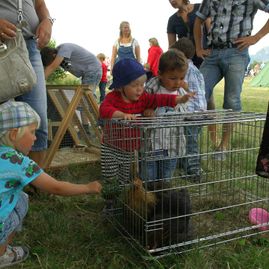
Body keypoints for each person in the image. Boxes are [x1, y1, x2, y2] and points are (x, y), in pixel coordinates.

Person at [0, 101, 102, 268]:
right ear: (13, 134)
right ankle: (2, 254)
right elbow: (56, 187)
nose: (35, 138)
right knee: (21, 201)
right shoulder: (19, 162)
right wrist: (88, 188)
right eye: (32, 132)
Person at [99, 58, 195, 184]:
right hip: (111, 146)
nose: (140, 89)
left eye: (142, 85)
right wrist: (122, 115)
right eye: (134, 85)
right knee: (110, 176)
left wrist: (179, 99)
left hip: (129, 149)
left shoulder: (143, 98)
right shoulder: (112, 98)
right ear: (121, 86)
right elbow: (104, 110)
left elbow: (159, 99)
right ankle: (110, 199)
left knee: (124, 177)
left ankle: (121, 197)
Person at [194, 0, 269, 159]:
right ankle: (190, 147)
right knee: (197, 94)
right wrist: (198, 48)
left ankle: (224, 146)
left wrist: (255, 38)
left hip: (237, 53)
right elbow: (198, 20)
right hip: (213, 53)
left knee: (231, 100)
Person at [0, 0, 53, 167]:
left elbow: (39, 5)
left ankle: (34, 186)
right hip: (2, 43)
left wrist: (47, 20)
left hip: (30, 46)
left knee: (38, 120)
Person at [144, 49, 189, 181]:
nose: (177, 82)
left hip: (172, 143)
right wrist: (147, 110)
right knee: (149, 175)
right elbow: (142, 103)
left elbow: (185, 112)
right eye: (173, 78)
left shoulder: (181, 92)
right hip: (151, 142)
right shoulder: (152, 88)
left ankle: (164, 196)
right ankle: (149, 196)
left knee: (166, 175)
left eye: (181, 78)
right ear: (160, 75)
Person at [41, 43, 102, 132]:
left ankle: (100, 124)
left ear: (54, 55)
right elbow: (47, 68)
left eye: (52, 61)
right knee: (85, 100)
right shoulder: (59, 53)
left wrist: (39, 83)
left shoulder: (64, 49)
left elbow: (51, 67)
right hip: (87, 72)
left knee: (86, 99)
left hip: (93, 70)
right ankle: (87, 129)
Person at [170, 37, 207, 181]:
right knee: (189, 140)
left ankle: (194, 172)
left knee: (190, 143)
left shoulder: (184, 69)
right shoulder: (195, 69)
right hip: (199, 111)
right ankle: (186, 165)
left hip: (192, 113)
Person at [167, 0, 209, 68]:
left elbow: (211, 30)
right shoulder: (172, 20)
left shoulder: (200, 8)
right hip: (187, 63)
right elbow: (171, 47)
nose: (172, 1)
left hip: (206, 57)